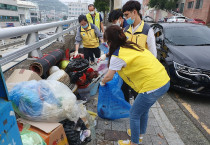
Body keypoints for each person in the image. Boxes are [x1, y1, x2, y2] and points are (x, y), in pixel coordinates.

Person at [101, 25, 170, 145]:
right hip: (163, 79)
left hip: (153, 85)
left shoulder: (117, 55)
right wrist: (107, 55)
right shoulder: (130, 45)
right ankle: (140, 135)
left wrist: (102, 82)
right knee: (143, 110)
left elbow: (109, 76)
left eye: (107, 42)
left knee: (134, 113)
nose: (107, 45)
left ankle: (134, 142)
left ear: (111, 42)